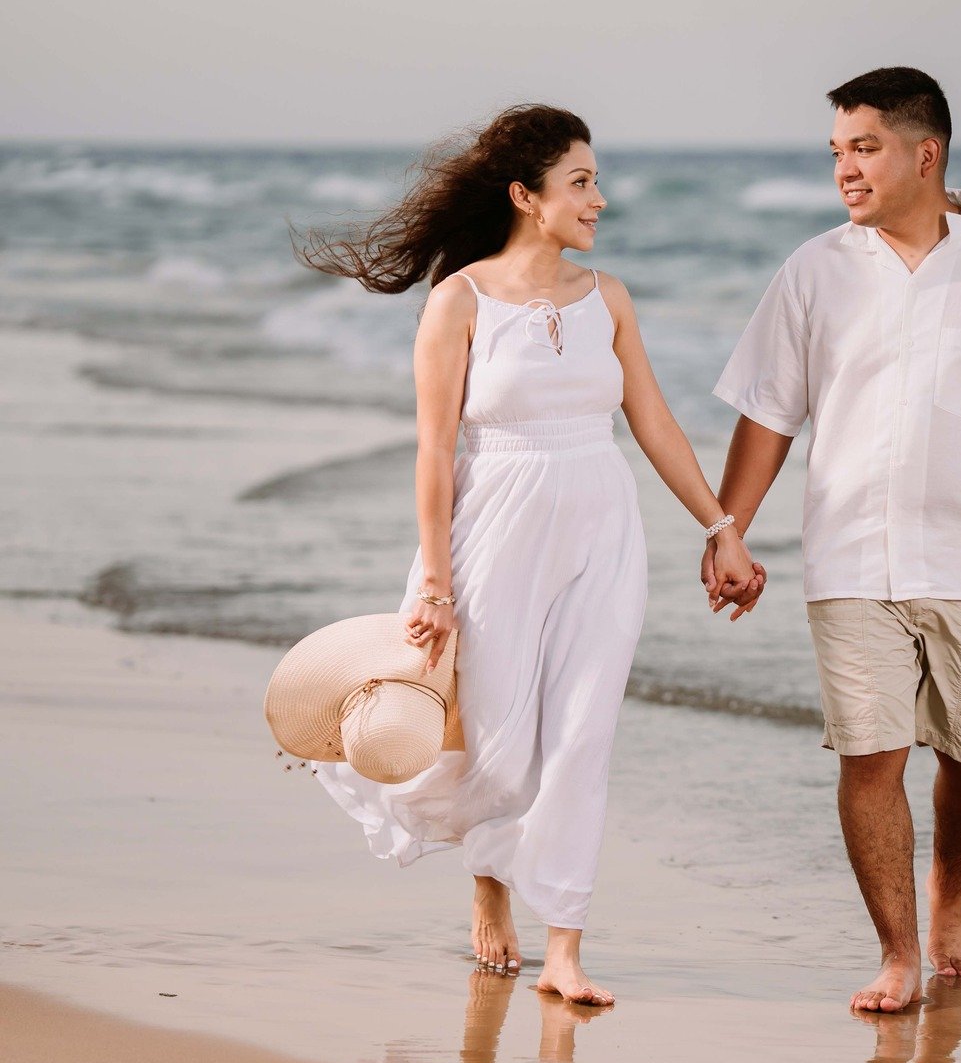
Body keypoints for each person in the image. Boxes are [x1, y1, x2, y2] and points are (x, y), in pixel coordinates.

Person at [298, 105, 763, 1006]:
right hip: (495, 529)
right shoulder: (459, 301)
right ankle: (487, 882)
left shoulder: (609, 299)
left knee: (582, 735)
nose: (599, 198)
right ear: (526, 196)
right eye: (581, 181)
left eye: (596, 179)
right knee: (502, 745)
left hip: (602, 525)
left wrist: (721, 526)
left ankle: (566, 947)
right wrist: (433, 582)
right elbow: (435, 450)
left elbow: (654, 423)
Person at [704, 68, 961, 1013]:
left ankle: (950, 889)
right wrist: (729, 530)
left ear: (928, 154)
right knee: (869, 755)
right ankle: (896, 954)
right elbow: (768, 416)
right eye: (837, 150)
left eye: (864, 147)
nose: (845, 168)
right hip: (848, 555)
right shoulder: (814, 271)